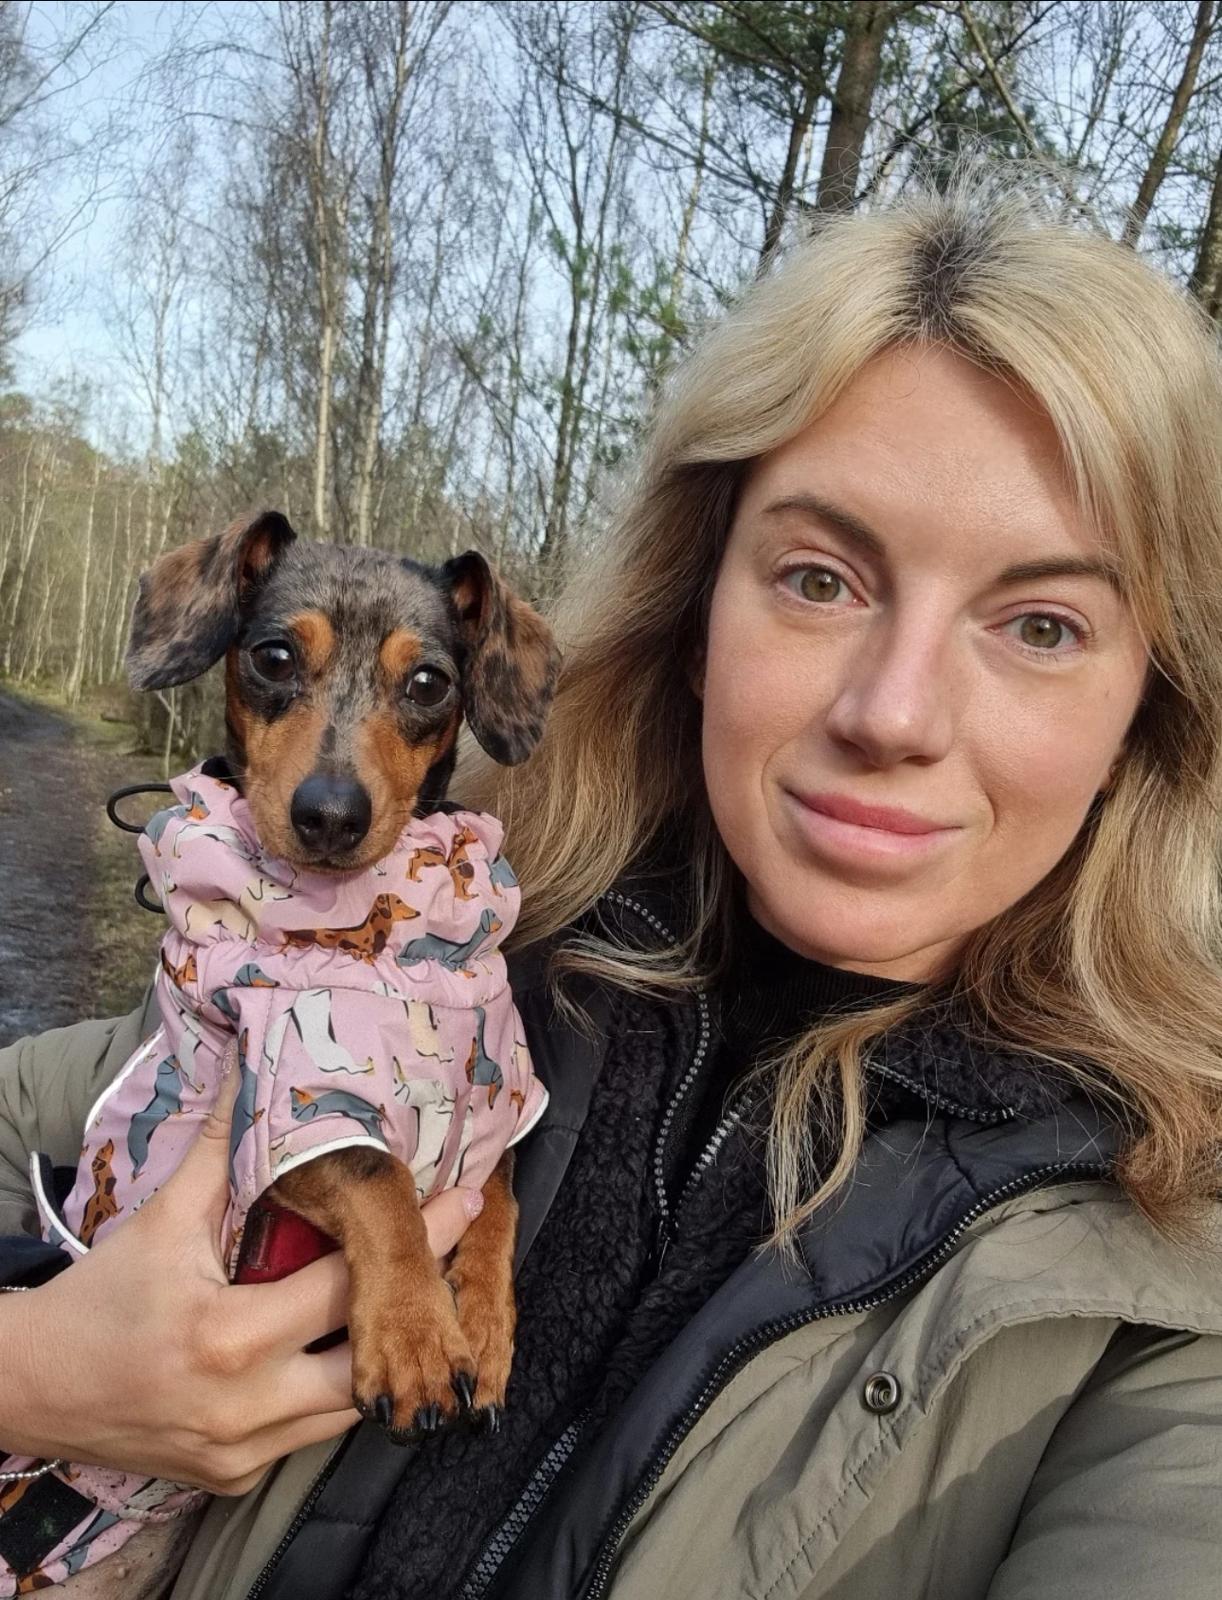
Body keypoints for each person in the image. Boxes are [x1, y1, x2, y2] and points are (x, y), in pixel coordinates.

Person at [3, 170, 1222, 1600]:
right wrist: (36, 1372)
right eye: (820, 579)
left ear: (1150, 707)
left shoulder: (1160, 1301)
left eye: (1041, 624)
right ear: (698, 614)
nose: (893, 714)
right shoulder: (446, 961)